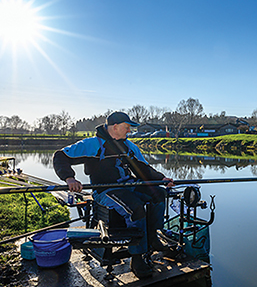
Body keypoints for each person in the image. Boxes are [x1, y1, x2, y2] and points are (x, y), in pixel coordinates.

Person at [53, 111, 174, 278]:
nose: (129, 131)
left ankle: (153, 236)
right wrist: (69, 178)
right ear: (115, 127)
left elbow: (143, 168)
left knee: (159, 194)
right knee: (135, 209)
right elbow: (60, 156)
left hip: (128, 185)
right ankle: (137, 259)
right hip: (105, 190)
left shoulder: (129, 146)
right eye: (127, 127)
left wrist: (161, 178)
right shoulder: (92, 145)